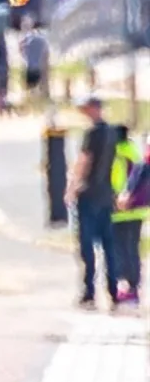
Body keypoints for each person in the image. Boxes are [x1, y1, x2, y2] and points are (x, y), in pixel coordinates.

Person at [68, 95, 124, 310]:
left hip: (89, 194)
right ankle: (113, 291)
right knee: (109, 246)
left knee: (87, 246)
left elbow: (85, 160)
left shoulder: (91, 134)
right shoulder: (112, 133)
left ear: (93, 109)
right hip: (106, 194)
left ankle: (89, 292)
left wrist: (72, 187)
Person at [109, 129, 144, 306]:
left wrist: (115, 198)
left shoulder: (116, 153)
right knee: (133, 247)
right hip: (137, 209)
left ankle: (124, 286)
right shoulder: (135, 151)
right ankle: (135, 287)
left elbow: (116, 179)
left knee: (119, 248)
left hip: (120, 209)